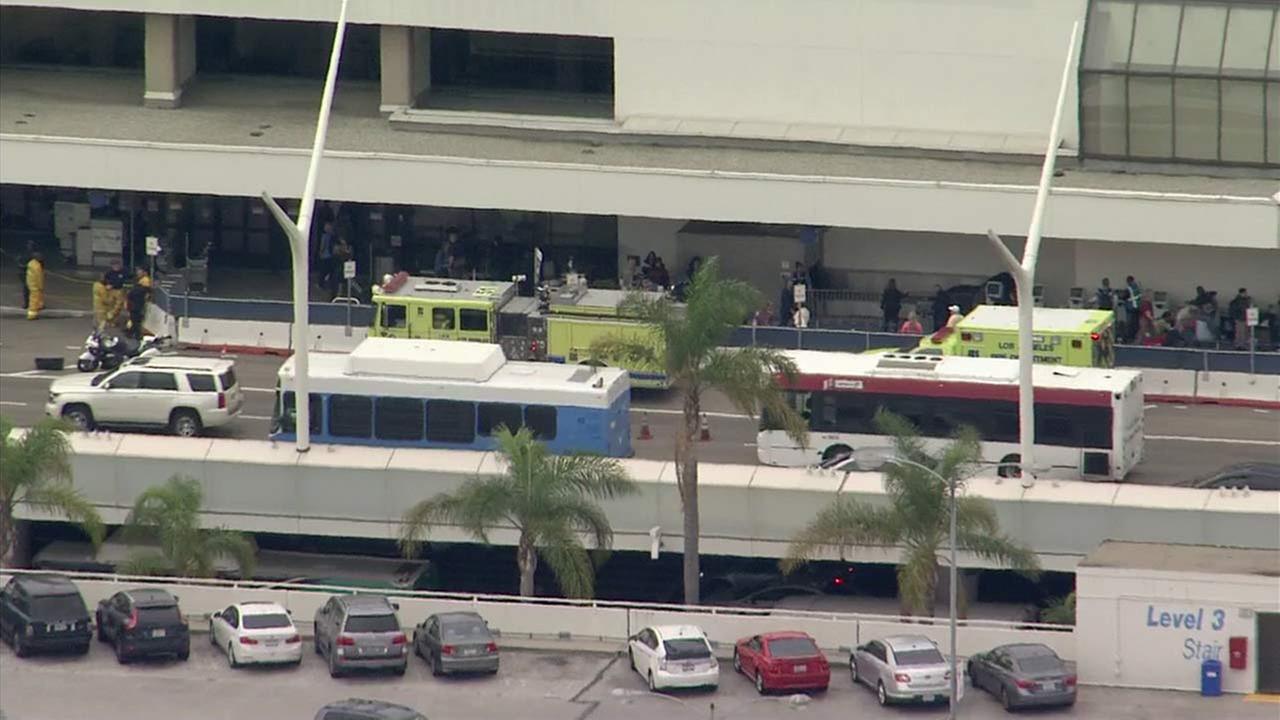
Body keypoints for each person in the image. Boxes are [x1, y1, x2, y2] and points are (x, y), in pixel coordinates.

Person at [126, 267, 153, 339]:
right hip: (136, 304)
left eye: (139, 271)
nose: (137, 272)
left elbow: (134, 294)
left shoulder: (144, 282)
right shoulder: (139, 281)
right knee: (134, 319)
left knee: (136, 319)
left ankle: (135, 333)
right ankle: (132, 331)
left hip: (138, 304)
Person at [25, 252, 44, 320]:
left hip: (31, 283)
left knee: (34, 299)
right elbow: (39, 277)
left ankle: (37, 309)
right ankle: (32, 315)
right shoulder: (37, 266)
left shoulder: (31, 263)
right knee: (34, 300)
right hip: (35, 285)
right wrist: (41, 286)